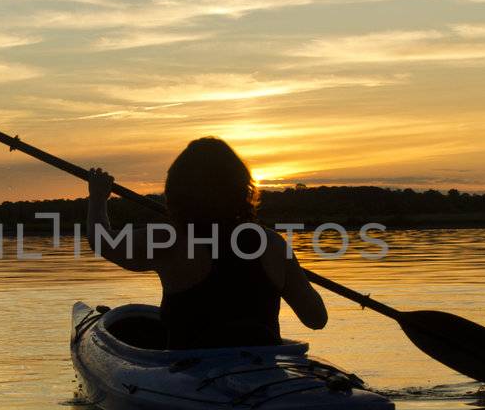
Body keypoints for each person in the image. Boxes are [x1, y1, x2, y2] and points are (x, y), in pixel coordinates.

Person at [86, 137, 327, 349]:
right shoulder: (272, 243)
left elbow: (102, 240)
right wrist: (287, 273)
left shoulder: (169, 241)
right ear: (242, 188)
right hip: (264, 374)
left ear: (177, 190)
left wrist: (97, 198)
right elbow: (316, 318)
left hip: (192, 379)